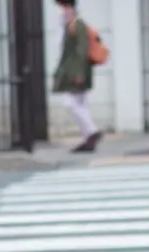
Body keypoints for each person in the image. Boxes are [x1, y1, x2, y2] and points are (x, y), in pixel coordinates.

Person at [52, 0, 102, 153]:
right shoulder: (68, 25)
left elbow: (81, 50)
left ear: (70, 7)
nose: (62, 10)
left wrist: (79, 73)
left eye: (64, 7)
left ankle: (92, 132)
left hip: (76, 72)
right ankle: (88, 138)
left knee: (70, 103)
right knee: (81, 104)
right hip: (73, 71)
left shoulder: (77, 25)